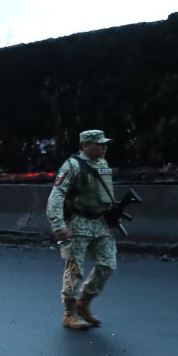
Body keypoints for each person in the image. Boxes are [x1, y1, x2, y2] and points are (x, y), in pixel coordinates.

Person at [46, 129, 118, 330]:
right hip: (78, 222)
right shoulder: (72, 166)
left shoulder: (103, 164)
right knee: (75, 268)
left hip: (99, 222)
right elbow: (57, 195)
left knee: (108, 264)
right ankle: (69, 313)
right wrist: (58, 224)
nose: (104, 147)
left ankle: (83, 303)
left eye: (104, 143)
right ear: (85, 146)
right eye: (98, 144)